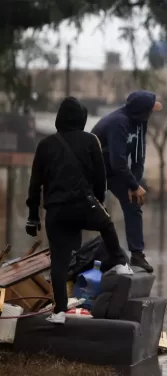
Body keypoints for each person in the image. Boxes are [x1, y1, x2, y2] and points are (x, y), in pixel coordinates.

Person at [25, 97, 133, 325]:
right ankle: (121, 265)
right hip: (84, 204)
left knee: (59, 262)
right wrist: (97, 202)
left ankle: (59, 312)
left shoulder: (45, 145)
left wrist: (33, 216)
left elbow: (35, 184)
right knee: (106, 225)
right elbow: (100, 178)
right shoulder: (90, 141)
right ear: (81, 119)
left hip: (56, 211)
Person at [91, 90, 162, 273]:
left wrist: (135, 185)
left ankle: (137, 255)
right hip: (93, 169)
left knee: (134, 202)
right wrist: (132, 184)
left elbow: (138, 156)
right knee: (91, 210)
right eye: (150, 110)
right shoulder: (118, 122)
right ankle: (76, 252)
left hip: (115, 171)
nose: (152, 114)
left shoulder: (140, 123)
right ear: (142, 111)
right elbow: (118, 161)